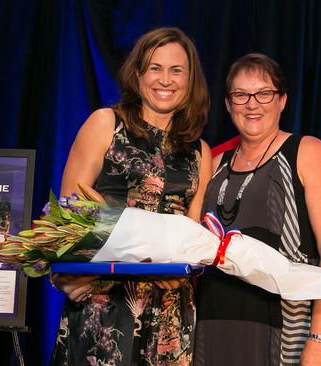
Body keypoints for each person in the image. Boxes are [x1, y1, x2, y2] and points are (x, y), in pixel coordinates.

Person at [51, 27, 212, 366]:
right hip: (103, 306)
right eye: (154, 68)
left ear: (190, 80)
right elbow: (66, 215)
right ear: (137, 73)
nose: (165, 79)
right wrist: (64, 276)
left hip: (170, 315)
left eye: (176, 70)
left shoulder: (200, 152)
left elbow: (194, 235)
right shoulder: (105, 124)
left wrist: (187, 269)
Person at [194, 54, 321, 366]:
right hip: (213, 328)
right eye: (241, 95)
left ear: (282, 100)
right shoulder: (212, 164)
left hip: (288, 334)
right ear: (228, 104)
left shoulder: (307, 153)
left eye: (264, 93)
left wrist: (320, 342)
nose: (252, 104)